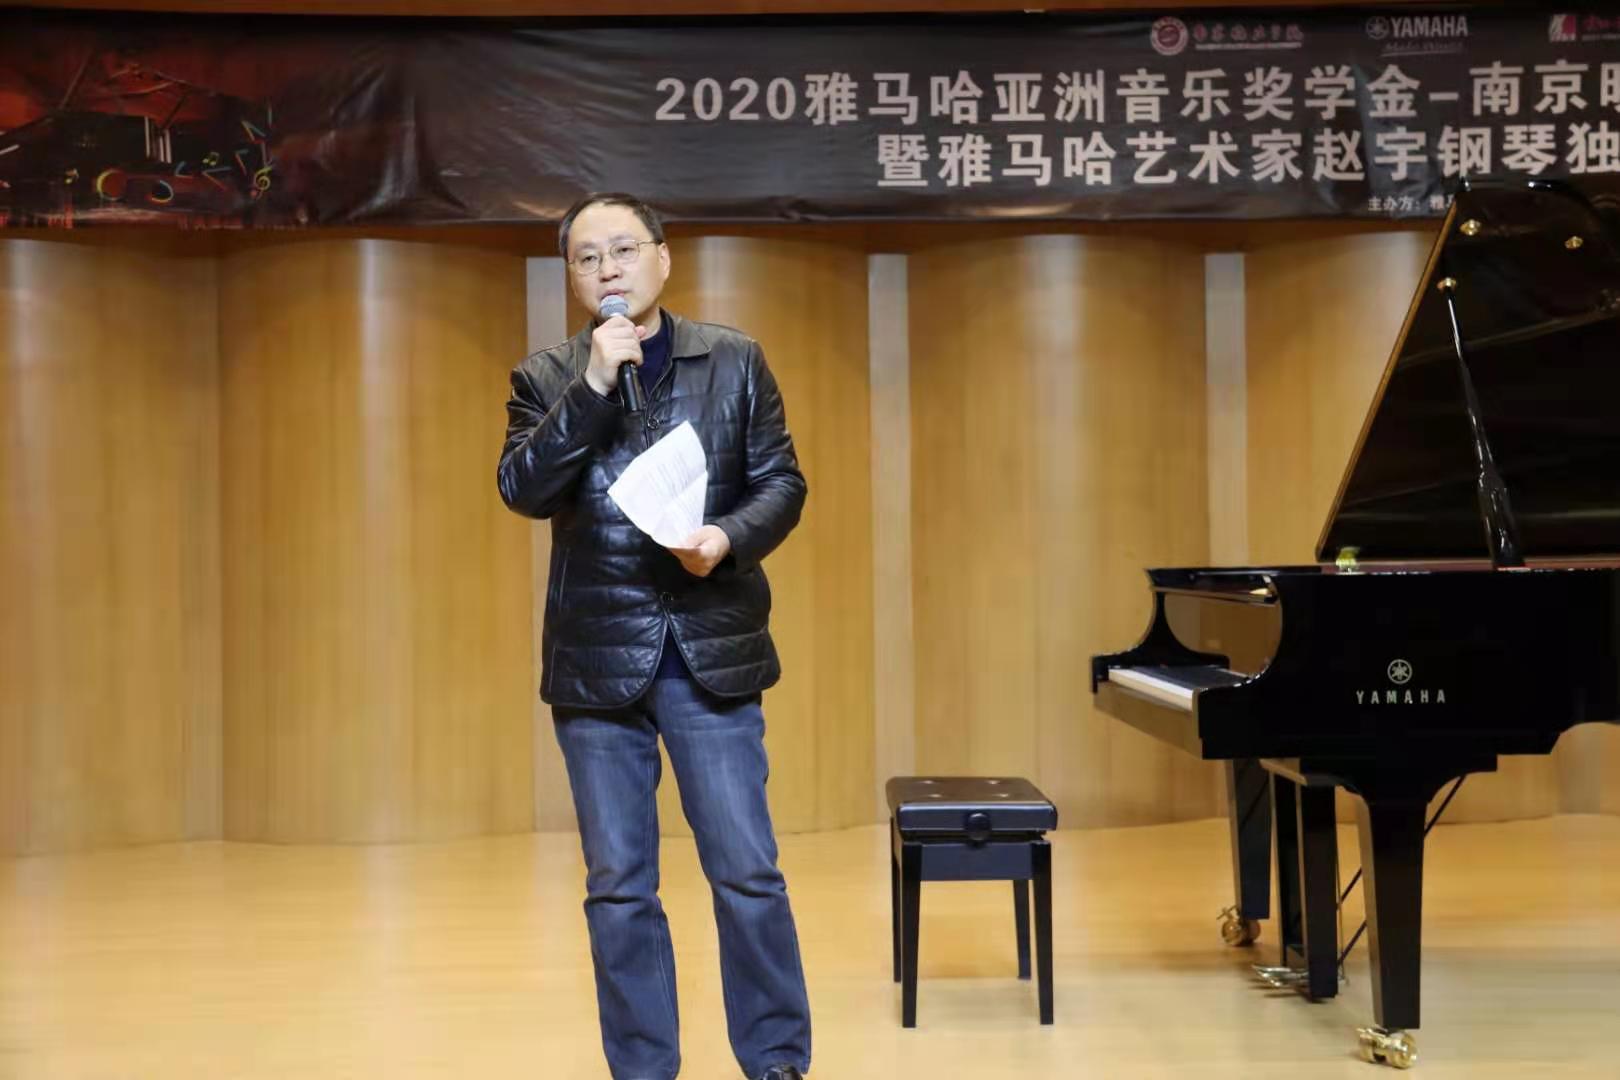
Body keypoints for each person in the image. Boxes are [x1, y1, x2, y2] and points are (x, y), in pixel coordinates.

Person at [496, 192, 811, 1080]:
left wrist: (727, 538)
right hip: (597, 664)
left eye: (624, 250)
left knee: (747, 872)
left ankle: (776, 1061)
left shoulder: (734, 359)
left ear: (663, 259)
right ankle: (643, 1068)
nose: (609, 269)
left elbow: (781, 483)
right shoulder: (546, 377)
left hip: (711, 650)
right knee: (619, 887)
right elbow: (524, 488)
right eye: (588, 257)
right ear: (572, 277)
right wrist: (594, 386)